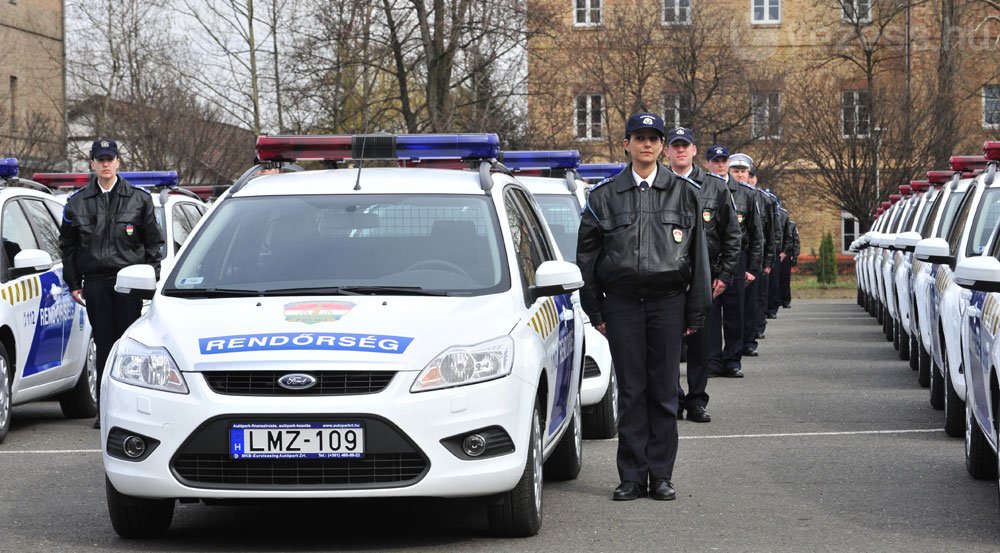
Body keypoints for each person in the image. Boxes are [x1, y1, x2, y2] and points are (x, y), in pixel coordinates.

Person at [577, 113, 711, 501]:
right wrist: (595, 311)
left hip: (669, 303)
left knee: (665, 391)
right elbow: (586, 258)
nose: (647, 144)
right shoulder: (603, 196)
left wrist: (695, 311)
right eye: (640, 137)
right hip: (622, 305)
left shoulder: (684, 194)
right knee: (632, 391)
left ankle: (662, 474)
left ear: (664, 147)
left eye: (654, 138)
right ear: (627, 144)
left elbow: (699, 257)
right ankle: (632, 476)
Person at [59, 139, 165, 429]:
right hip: (95, 282)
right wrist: (73, 282)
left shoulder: (139, 199)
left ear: (119, 162)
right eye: (100, 159)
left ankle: (136, 410)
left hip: (129, 282)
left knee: (131, 346)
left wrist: (150, 279)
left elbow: (154, 243)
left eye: (110, 158)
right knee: (105, 344)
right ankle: (106, 411)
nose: (105, 164)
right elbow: (67, 246)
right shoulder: (77, 202)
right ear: (92, 164)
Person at [664, 128, 740, 423]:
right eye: (675, 147)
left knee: (699, 344)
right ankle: (673, 398)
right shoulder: (659, 185)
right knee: (668, 345)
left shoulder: (715, 188)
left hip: (702, 279)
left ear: (695, 150)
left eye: (685, 146)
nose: (680, 151)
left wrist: (724, 274)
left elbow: (732, 235)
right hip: (668, 278)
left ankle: (696, 400)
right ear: (667, 151)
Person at [705, 148, 763, 378]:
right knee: (710, 313)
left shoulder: (745, 193)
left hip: (736, 259)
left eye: (723, 161)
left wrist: (752, 268)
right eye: (715, 161)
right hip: (710, 260)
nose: (720, 165)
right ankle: (712, 360)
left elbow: (755, 233)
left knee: (734, 312)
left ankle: (732, 359)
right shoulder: (703, 189)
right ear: (708, 163)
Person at [736, 156, 774, 358]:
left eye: (746, 173)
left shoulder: (763, 199)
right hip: (733, 255)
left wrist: (767, 260)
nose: (743, 176)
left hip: (753, 256)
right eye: (737, 171)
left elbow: (768, 234)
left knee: (752, 302)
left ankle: (749, 340)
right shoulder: (723, 192)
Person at [781, 219, 800, 308]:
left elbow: (796, 242)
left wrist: (795, 256)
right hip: (776, 253)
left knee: (785, 278)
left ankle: (785, 300)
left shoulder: (791, 225)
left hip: (787, 254)